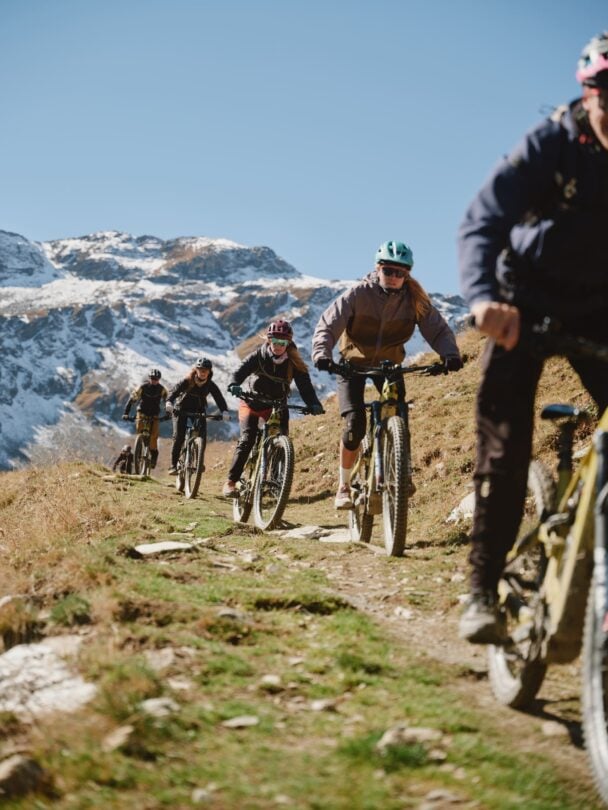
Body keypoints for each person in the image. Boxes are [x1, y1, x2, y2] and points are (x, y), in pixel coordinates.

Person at [458, 32, 608, 644]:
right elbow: (483, 219)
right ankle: (481, 591)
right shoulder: (550, 143)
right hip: (524, 305)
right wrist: (482, 299)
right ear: (588, 92)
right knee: (506, 445)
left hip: (600, 308)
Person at [312, 240, 462, 509]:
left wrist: (450, 355)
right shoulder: (358, 294)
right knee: (354, 427)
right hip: (352, 365)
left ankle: (402, 471)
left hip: (389, 365)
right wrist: (322, 354)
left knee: (398, 414)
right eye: (389, 271)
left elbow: (437, 329)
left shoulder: (414, 299)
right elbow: (328, 324)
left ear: (407, 275)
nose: (394, 277)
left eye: (400, 273)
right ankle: (344, 486)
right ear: (377, 269)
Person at [222, 319, 325, 497]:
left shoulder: (294, 361)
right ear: (268, 340)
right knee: (247, 439)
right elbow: (239, 372)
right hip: (252, 402)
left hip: (277, 404)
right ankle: (230, 483)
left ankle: (276, 484)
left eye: (282, 343)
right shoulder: (259, 356)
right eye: (275, 342)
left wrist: (314, 404)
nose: (278, 346)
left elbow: (305, 386)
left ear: (288, 342)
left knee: (282, 441)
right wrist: (234, 384)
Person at [166, 357, 229, 474]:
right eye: (200, 369)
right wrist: (169, 402)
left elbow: (219, 398)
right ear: (196, 370)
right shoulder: (187, 380)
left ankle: (199, 461)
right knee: (179, 436)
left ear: (209, 371)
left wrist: (224, 411)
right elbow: (174, 391)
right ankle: (173, 465)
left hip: (198, 410)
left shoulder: (210, 384)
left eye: (206, 370)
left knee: (202, 435)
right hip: (181, 409)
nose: (203, 372)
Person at [122, 368, 169, 469]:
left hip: (154, 414)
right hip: (142, 412)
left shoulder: (162, 389)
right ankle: (139, 451)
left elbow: (167, 401)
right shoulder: (142, 387)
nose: (154, 380)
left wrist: (168, 413)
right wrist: (126, 413)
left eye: (156, 379)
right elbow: (132, 399)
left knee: (153, 437)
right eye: (152, 378)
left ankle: (154, 456)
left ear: (159, 379)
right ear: (149, 378)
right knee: (140, 432)